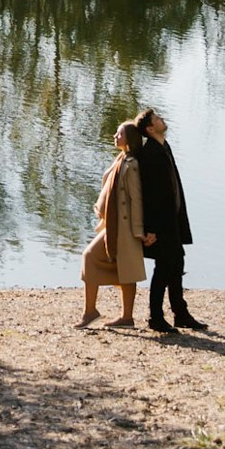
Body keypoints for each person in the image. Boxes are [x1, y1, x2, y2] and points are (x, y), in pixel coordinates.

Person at [134, 107, 203, 332]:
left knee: (176, 264)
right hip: (160, 224)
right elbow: (150, 196)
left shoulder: (163, 147)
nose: (162, 119)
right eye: (157, 118)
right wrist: (151, 229)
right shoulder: (150, 153)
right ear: (149, 128)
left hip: (172, 221)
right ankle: (155, 317)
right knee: (164, 268)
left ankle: (180, 313)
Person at [79, 120, 149, 326]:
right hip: (113, 224)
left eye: (119, 134)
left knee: (100, 259)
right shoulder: (121, 158)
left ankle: (104, 314)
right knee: (119, 267)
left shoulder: (132, 164)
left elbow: (136, 198)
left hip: (125, 227)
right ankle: (97, 312)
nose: (115, 137)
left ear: (129, 139)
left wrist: (138, 230)